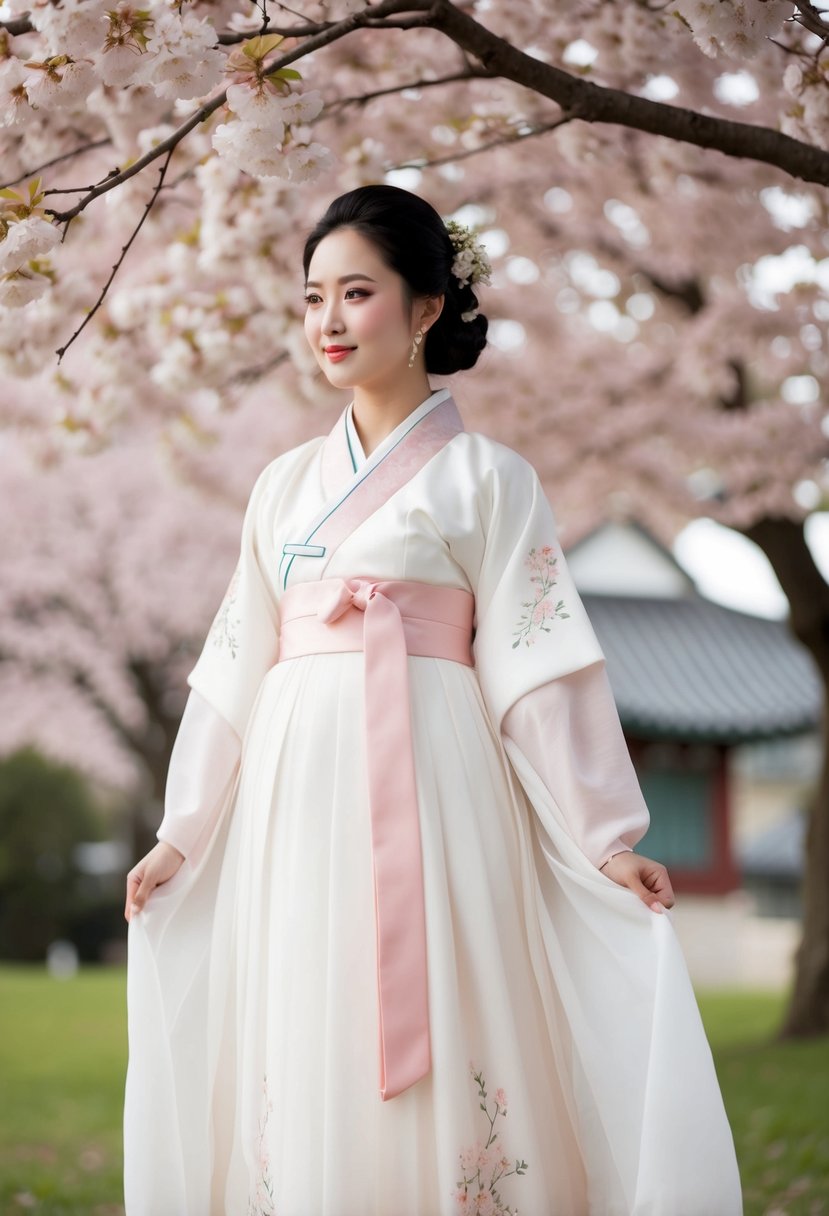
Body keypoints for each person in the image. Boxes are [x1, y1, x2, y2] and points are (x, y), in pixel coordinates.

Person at [123, 183, 743, 1216]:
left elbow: (538, 666)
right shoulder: (281, 486)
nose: (326, 320)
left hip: (437, 778)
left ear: (423, 309)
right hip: (298, 788)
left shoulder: (490, 480)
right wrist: (182, 831)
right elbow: (234, 665)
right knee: (308, 1006)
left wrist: (604, 838)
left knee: (455, 999)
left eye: (355, 292)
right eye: (311, 296)